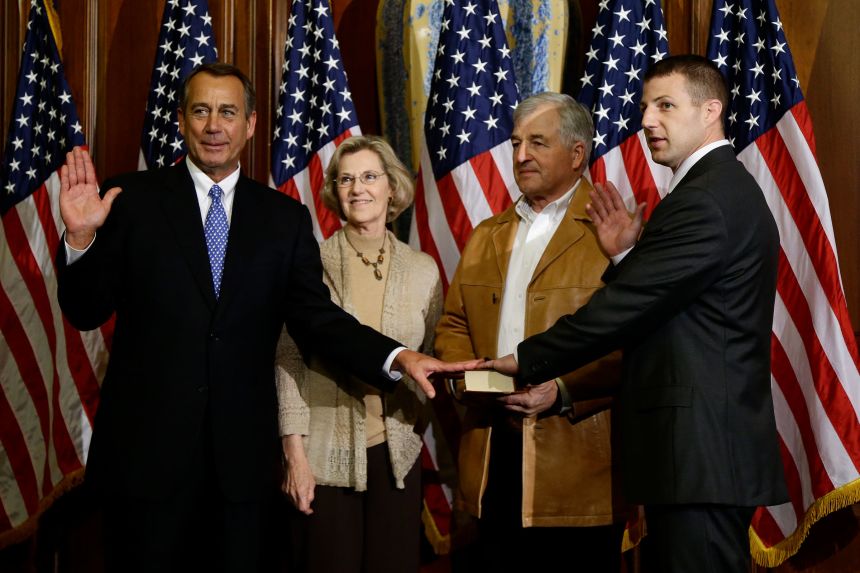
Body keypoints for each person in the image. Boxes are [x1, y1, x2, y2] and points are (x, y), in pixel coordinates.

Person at [55, 63, 472, 573]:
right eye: (201, 111)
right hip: (145, 462)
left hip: (243, 467)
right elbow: (84, 310)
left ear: (250, 125)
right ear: (181, 122)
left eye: (228, 112)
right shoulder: (130, 200)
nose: (215, 125)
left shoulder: (283, 218)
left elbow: (316, 318)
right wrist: (80, 239)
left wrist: (398, 356)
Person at [484, 55, 788, 572]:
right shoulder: (707, 191)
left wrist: (524, 358)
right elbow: (667, 306)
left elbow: (624, 310)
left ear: (711, 109)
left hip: (701, 456)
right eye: (646, 107)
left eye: (665, 106)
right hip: (695, 457)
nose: (647, 120)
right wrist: (626, 256)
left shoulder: (708, 197)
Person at [434, 93, 629, 572]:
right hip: (491, 451)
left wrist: (561, 390)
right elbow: (454, 324)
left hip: (578, 463)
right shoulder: (487, 233)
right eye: (517, 142)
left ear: (577, 154)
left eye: (537, 143)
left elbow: (632, 340)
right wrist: (471, 378)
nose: (520, 155)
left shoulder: (614, 233)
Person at [276, 135, 439, 573]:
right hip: (323, 458)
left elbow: (429, 356)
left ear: (392, 187)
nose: (357, 188)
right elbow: (288, 361)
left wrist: (414, 424)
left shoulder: (423, 270)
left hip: (398, 458)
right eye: (345, 179)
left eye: (369, 176)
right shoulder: (312, 262)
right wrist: (295, 456)